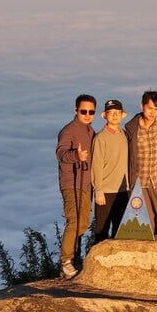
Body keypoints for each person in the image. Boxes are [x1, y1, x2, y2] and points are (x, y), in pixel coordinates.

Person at [125, 90, 157, 241]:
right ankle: (148, 257)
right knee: (145, 221)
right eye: (150, 108)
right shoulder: (132, 128)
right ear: (142, 106)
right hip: (140, 181)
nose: (153, 112)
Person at [55, 94, 96, 279]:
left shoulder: (90, 131)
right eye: (84, 111)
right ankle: (66, 261)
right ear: (76, 111)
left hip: (86, 183)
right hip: (71, 182)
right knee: (74, 220)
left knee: (83, 222)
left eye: (91, 111)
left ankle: (73, 257)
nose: (87, 114)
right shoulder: (69, 131)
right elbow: (61, 153)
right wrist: (75, 156)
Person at [91, 99, 130, 243]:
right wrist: (98, 190)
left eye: (117, 113)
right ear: (105, 116)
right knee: (102, 230)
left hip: (123, 190)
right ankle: (99, 263)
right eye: (111, 113)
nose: (114, 116)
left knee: (120, 230)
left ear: (122, 115)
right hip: (105, 191)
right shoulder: (100, 138)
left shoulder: (125, 135)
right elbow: (96, 165)